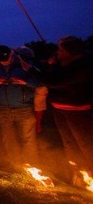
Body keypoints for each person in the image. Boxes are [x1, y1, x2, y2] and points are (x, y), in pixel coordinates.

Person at [24, 36, 93, 178]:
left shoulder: (81, 65)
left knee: (86, 144)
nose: (57, 52)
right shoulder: (64, 65)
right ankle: (79, 174)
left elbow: (54, 81)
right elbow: (52, 76)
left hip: (78, 111)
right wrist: (51, 64)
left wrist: (30, 69)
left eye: (60, 49)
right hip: (61, 109)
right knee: (69, 143)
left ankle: (90, 170)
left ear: (70, 51)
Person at [0, 45, 40, 168]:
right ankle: (16, 164)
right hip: (3, 108)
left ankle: (32, 164)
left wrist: (25, 82)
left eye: (6, 59)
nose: (4, 62)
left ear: (11, 55)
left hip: (24, 107)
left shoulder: (24, 65)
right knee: (8, 138)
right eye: (1, 60)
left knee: (28, 138)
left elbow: (40, 81)